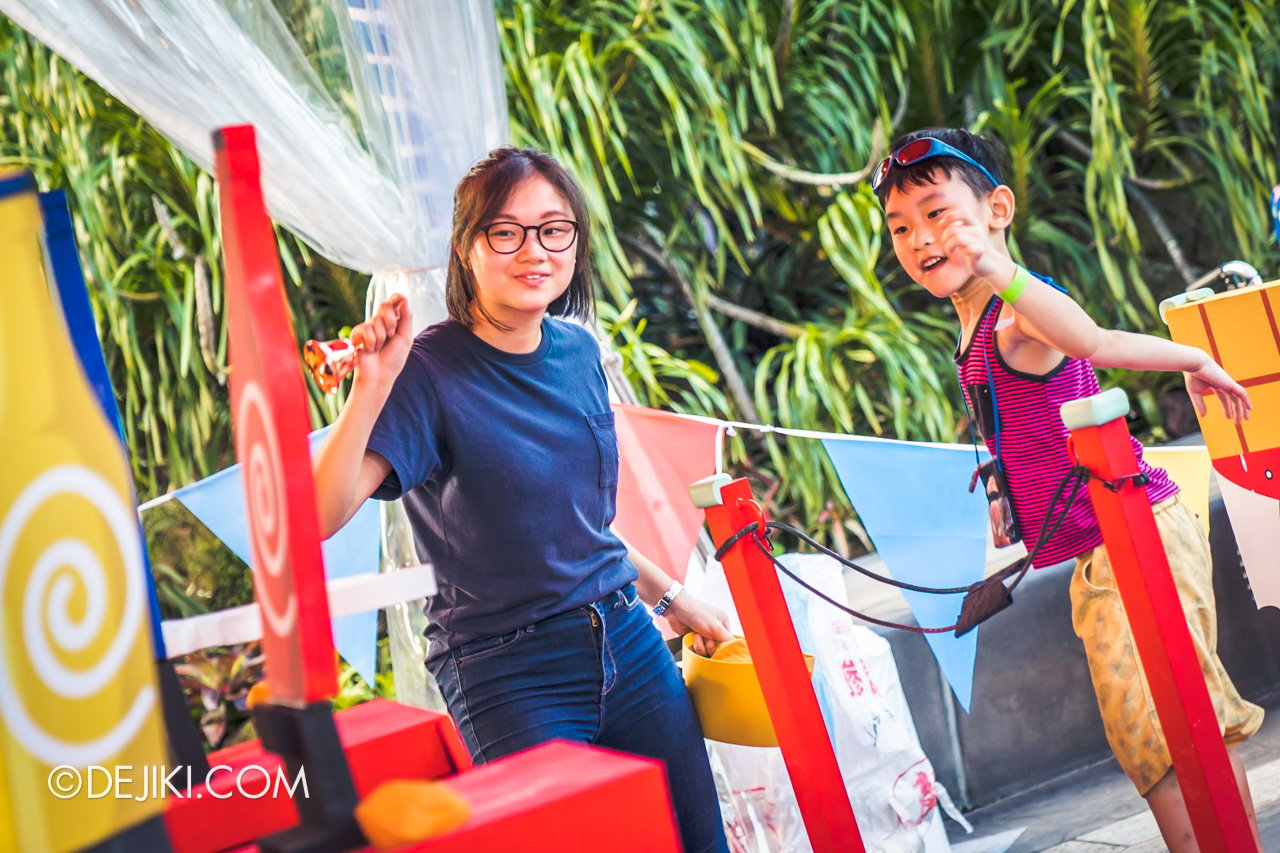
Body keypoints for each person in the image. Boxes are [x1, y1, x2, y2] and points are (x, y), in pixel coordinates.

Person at [314, 145, 732, 852]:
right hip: (508, 671)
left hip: (627, 640)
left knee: (697, 843)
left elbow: (580, 527)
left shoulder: (576, 350)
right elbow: (318, 517)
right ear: (467, 248)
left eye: (553, 229)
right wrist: (370, 388)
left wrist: (671, 598)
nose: (533, 250)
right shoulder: (428, 370)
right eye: (505, 231)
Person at [873, 127, 1264, 851]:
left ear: (997, 208)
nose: (921, 238)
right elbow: (1022, 418)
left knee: (1177, 725)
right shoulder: (973, 328)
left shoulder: (1019, 312)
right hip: (1097, 549)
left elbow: (1091, 340)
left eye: (938, 213)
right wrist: (1002, 485)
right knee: (1148, 733)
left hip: (1137, 534)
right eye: (901, 226)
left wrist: (1192, 355)